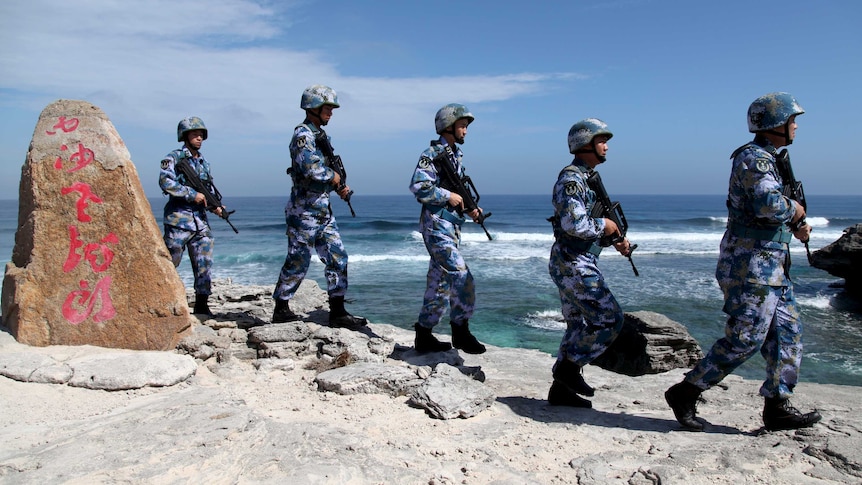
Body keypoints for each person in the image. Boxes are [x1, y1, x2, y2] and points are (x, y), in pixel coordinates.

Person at [665, 92, 822, 432]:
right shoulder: (754, 158)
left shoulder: (771, 158)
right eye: (791, 120)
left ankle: (778, 406)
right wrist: (794, 210)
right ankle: (686, 390)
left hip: (773, 265)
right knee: (746, 337)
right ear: (775, 124)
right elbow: (768, 204)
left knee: (788, 335)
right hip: (750, 264)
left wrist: (795, 223)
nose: (795, 126)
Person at [546, 118, 633, 408]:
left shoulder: (587, 178)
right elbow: (574, 224)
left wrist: (614, 236)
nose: (606, 146)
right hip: (573, 261)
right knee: (610, 318)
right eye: (601, 140)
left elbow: (592, 223)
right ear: (585, 144)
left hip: (576, 258)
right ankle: (568, 370)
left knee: (577, 325)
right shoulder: (572, 180)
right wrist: (605, 225)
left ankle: (561, 391)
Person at [271, 85, 367, 329]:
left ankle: (338, 312)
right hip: (303, 211)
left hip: (323, 211)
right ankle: (281, 308)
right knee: (298, 259)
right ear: (313, 108)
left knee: (338, 257)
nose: (331, 113)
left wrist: (339, 186)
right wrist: (333, 177)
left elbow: (326, 172)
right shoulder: (303, 135)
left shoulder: (321, 136)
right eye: (327, 108)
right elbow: (311, 169)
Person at [408, 103, 487, 355]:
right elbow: (418, 186)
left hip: (450, 226)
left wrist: (470, 208)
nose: (466, 130)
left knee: (439, 282)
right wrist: (447, 195)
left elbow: (459, 192)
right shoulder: (431, 154)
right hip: (436, 225)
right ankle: (460, 331)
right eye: (462, 126)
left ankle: (424, 335)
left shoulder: (455, 156)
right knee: (462, 276)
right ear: (448, 126)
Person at [159, 116, 224, 316]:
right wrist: (191, 194)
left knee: (204, 263)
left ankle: (202, 304)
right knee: (170, 262)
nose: (199, 138)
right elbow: (166, 182)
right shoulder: (174, 158)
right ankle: (161, 298)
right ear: (184, 136)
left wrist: (215, 206)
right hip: (179, 220)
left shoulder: (204, 163)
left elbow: (206, 189)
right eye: (194, 134)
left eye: (200, 135)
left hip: (200, 223)